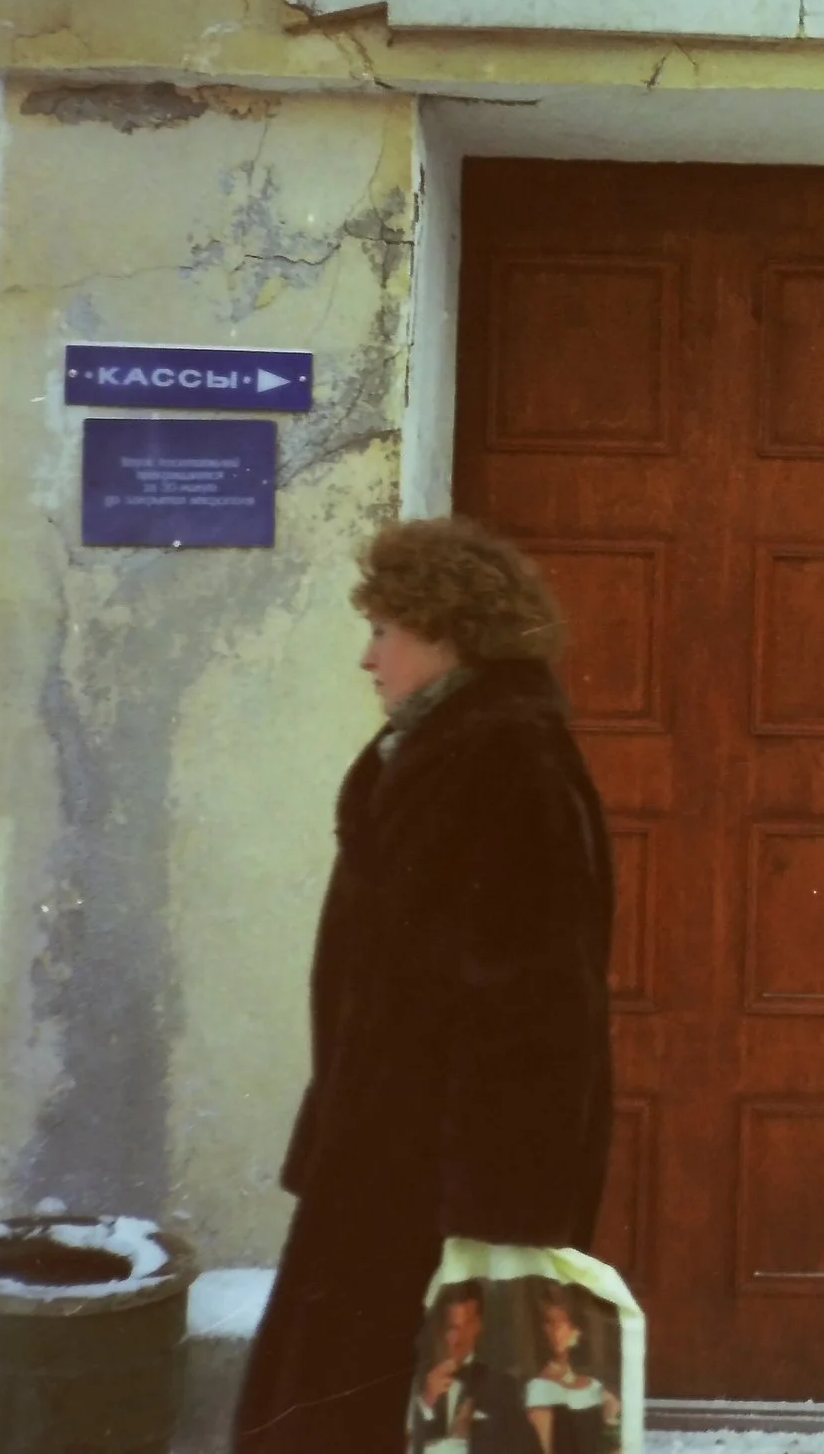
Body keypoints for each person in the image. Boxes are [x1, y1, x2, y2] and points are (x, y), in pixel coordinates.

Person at [235, 517, 616, 1453]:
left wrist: (501, 1212)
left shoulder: (506, 762)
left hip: (442, 1185)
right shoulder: (437, 748)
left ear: (446, 631)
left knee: (393, 1414)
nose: (368, 658)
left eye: (383, 632)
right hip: (383, 1158)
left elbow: (542, 1007)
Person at [410, 1284, 537, 1454]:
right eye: (453, 1327)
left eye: (467, 1324)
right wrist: (427, 1402)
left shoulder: (502, 1386)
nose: (460, 1338)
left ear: (479, 1325)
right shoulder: (422, 1385)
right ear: (441, 1329)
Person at [523, 1284, 623, 1454]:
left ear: (576, 1330)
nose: (554, 1330)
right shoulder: (539, 1388)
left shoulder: (595, 1386)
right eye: (548, 1322)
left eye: (562, 1322)